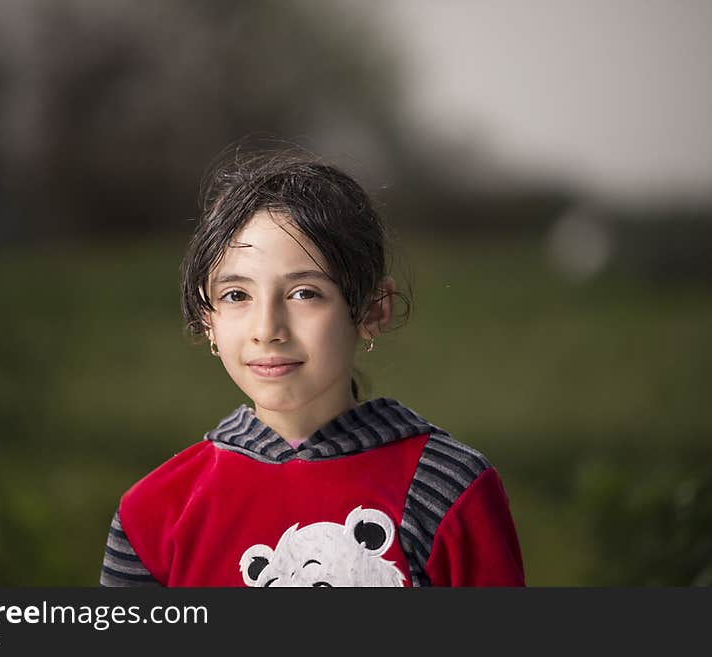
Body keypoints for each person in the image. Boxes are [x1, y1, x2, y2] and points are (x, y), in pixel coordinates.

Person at [100, 145, 525, 587]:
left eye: (305, 293)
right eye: (236, 295)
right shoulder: (154, 513)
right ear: (207, 320)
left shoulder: (450, 491)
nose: (267, 329)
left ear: (372, 309)